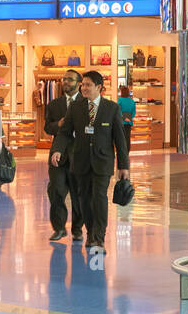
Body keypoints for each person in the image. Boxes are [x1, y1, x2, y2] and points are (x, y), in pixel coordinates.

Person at [50, 70, 130, 253]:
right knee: (84, 199)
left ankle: (99, 238)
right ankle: (91, 233)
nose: (83, 88)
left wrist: (124, 166)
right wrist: (57, 150)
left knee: (99, 198)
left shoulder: (112, 108)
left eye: (87, 85)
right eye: (82, 85)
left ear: (99, 88)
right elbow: (64, 132)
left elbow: (120, 139)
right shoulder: (75, 107)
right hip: (81, 161)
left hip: (103, 162)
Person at [45, 69, 84, 242]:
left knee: (78, 195)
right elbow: (47, 127)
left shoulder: (86, 103)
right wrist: (58, 125)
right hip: (58, 156)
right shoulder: (54, 104)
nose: (65, 82)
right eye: (64, 79)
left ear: (79, 83)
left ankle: (77, 229)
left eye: (70, 79)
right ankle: (59, 228)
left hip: (79, 155)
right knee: (57, 192)